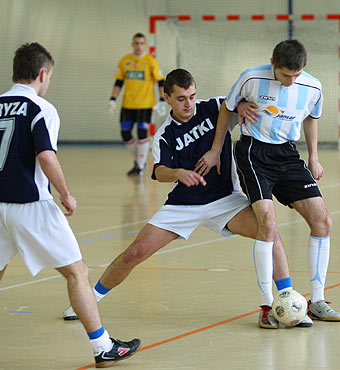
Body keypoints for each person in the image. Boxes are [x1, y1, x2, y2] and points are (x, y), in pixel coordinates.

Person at [63, 68, 311, 329]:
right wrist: (179, 173)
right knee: (134, 253)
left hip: (225, 199)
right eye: (181, 98)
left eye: (192, 96)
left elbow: (244, 105)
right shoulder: (164, 135)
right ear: (166, 97)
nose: (188, 104)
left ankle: (288, 303)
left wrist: (253, 104)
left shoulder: (215, 107)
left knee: (269, 231)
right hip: (183, 206)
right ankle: (87, 300)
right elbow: (159, 171)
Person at [0, 42, 140, 368]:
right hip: (30, 204)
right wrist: (65, 192)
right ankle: (103, 347)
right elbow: (46, 155)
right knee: (77, 272)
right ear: (43, 74)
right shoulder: (40, 108)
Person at [196, 40, 340, 322]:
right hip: (253, 152)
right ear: (273, 63)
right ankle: (267, 306)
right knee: (268, 224)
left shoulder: (313, 87)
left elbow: (311, 118)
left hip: (288, 154)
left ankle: (318, 299)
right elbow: (227, 109)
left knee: (323, 221)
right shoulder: (251, 78)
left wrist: (313, 157)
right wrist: (215, 151)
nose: (291, 81)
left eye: (297, 75)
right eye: (286, 75)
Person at [109, 32, 166, 176]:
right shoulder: (125, 61)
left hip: (145, 105)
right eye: (136, 43)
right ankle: (140, 159)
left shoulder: (150, 61)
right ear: (132, 44)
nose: (139, 46)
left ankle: (140, 166)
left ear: (145, 45)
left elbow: (161, 82)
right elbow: (119, 82)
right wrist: (113, 99)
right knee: (125, 133)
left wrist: (162, 100)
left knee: (142, 133)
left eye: (141, 43)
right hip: (127, 104)